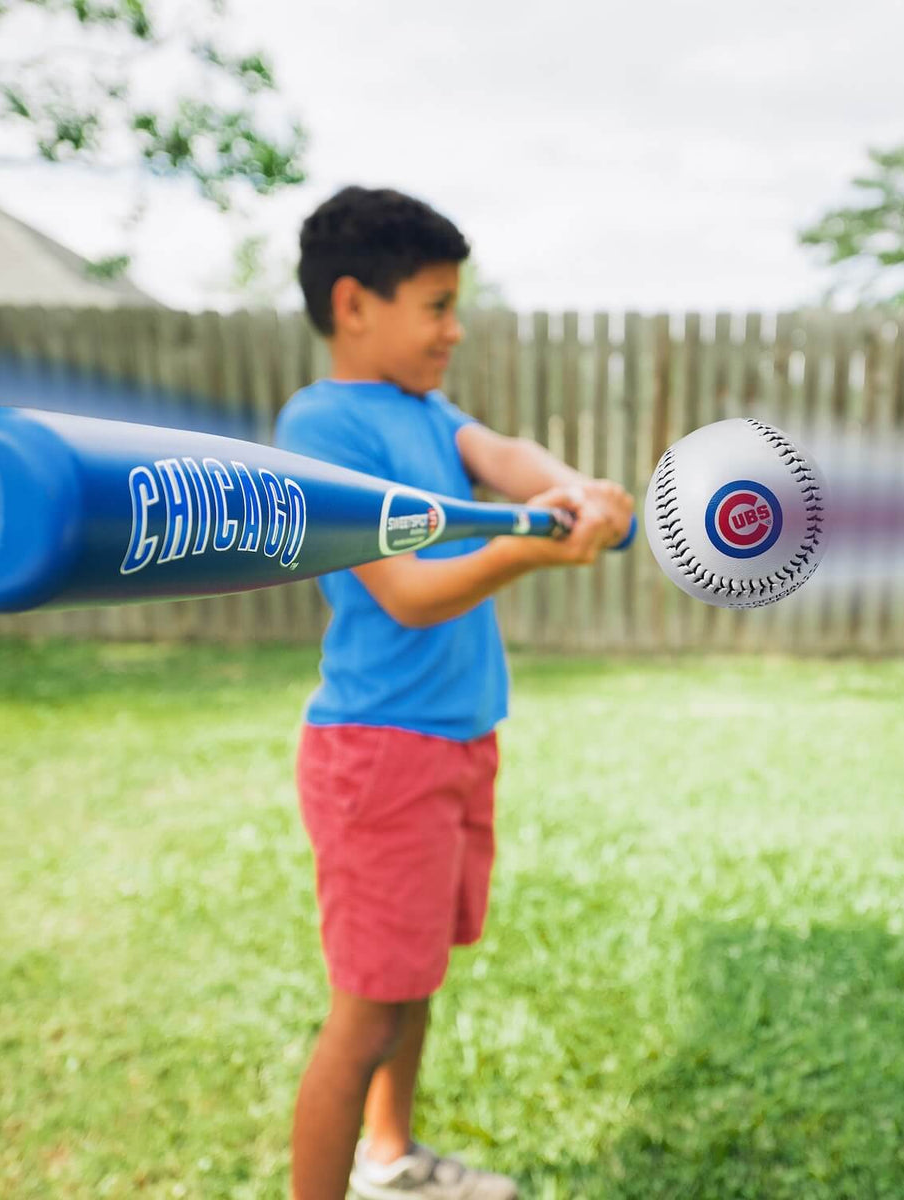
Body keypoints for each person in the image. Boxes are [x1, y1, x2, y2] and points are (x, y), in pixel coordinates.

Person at [274, 186, 633, 1200]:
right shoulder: (323, 428)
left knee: (412, 980)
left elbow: (506, 459)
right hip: (381, 756)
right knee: (367, 1011)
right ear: (355, 305)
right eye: (435, 304)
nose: (453, 327)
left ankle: (390, 1162)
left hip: (451, 742)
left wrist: (567, 490)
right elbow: (411, 594)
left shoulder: (428, 414)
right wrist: (530, 546)